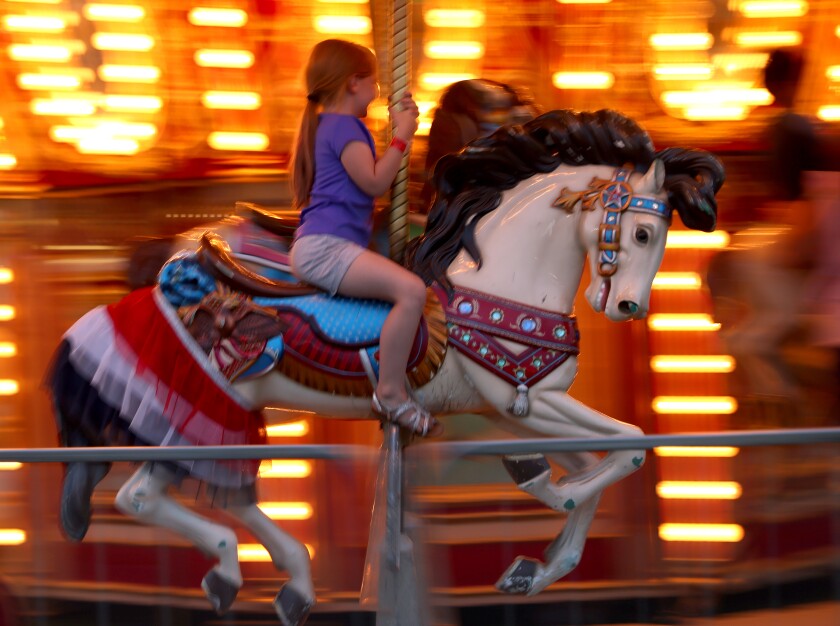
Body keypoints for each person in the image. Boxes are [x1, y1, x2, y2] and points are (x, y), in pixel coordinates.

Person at [288, 39, 442, 437]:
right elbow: (374, 182)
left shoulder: (325, 125)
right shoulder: (345, 127)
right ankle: (389, 392)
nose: (376, 91)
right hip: (327, 248)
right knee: (411, 292)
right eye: (373, 82)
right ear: (353, 83)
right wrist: (402, 135)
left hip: (323, 245)